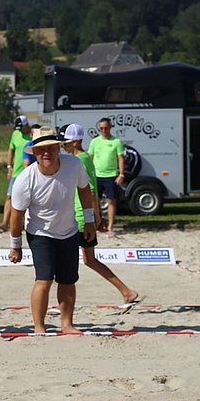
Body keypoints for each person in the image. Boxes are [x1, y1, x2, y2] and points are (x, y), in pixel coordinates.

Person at [8, 130, 98, 334]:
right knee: (44, 278)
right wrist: (16, 247)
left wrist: (90, 222)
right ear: (35, 153)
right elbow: (16, 216)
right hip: (40, 233)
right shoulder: (25, 180)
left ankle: (67, 324)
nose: (46, 153)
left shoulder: (74, 165)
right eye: (41, 149)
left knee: (68, 279)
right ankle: (39, 327)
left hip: (68, 230)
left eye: (51, 148)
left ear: (59, 148)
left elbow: (84, 190)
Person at [63, 123, 139, 304]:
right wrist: (97, 216)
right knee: (89, 260)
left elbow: (89, 190)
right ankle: (127, 291)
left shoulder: (79, 160)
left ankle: (64, 302)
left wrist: (93, 216)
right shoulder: (86, 158)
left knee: (65, 261)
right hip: (84, 215)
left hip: (80, 217)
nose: (63, 145)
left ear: (74, 142)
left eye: (65, 142)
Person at [89, 117, 125, 235]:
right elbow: (89, 158)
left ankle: (110, 227)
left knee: (111, 201)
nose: (103, 130)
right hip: (96, 175)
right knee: (94, 201)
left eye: (106, 128)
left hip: (111, 175)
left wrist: (121, 174)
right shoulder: (95, 141)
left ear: (110, 127)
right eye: (101, 128)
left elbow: (120, 158)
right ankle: (98, 224)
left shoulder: (116, 142)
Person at [0, 116, 31, 230]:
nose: (20, 130)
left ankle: (23, 223)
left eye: (21, 127)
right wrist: (9, 166)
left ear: (27, 124)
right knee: (9, 197)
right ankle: (4, 223)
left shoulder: (32, 135)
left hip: (29, 172)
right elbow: (11, 149)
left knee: (28, 199)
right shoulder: (16, 134)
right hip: (16, 172)